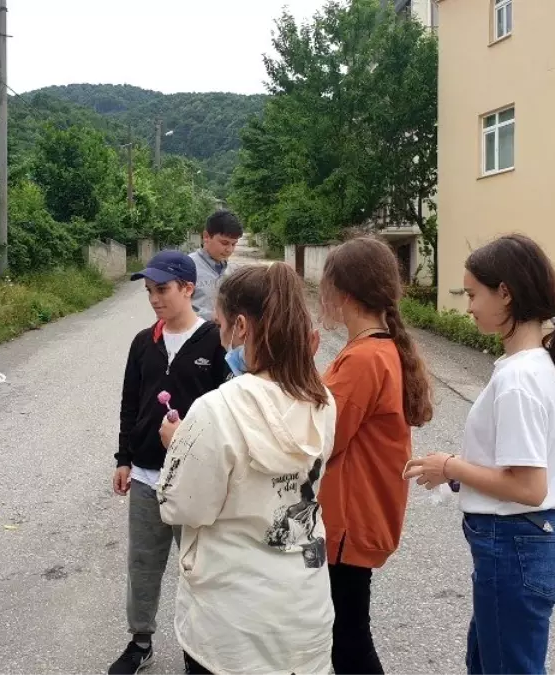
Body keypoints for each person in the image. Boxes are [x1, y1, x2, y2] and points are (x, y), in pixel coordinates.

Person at [403, 234, 555, 675]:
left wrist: (451, 466)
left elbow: (528, 486)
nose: (468, 306)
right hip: (527, 541)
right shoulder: (538, 366)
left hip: (515, 544)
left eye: (472, 293)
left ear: (506, 292)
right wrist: (456, 473)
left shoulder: (519, 378)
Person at [156, 264, 337, 675]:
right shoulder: (322, 400)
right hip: (304, 610)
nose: (220, 337)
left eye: (220, 325)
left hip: (231, 625)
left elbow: (181, 507)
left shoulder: (216, 409)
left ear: (240, 326)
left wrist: (178, 447)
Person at [108, 250, 230, 675]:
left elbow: (229, 412)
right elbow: (129, 404)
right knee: (143, 562)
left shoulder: (216, 342)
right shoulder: (144, 342)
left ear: (188, 288)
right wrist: (124, 458)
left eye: (162, 289)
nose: (154, 298)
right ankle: (140, 641)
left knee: (198, 568)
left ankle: (199, 649)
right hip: (145, 475)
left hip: (193, 480)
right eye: (149, 291)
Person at [317, 236, 434, 675]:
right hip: (358, 518)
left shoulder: (365, 358)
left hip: (348, 522)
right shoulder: (378, 348)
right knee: (344, 634)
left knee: (347, 640)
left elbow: (321, 438)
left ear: (344, 294)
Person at [189, 210, 243, 323]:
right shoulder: (187, 266)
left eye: (234, 244)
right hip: (195, 338)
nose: (229, 250)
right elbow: (174, 309)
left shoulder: (233, 270)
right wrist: (211, 317)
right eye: (224, 243)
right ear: (206, 236)